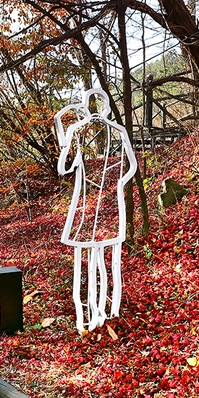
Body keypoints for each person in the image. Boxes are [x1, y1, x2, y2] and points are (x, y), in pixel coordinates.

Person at [55, 88, 138, 333]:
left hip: (86, 208)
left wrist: (64, 141)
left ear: (88, 105)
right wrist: (118, 183)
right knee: (107, 258)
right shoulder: (119, 130)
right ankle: (103, 310)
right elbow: (132, 166)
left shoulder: (77, 131)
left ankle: (88, 314)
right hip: (113, 205)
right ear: (106, 106)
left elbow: (63, 169)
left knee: (87, 260)